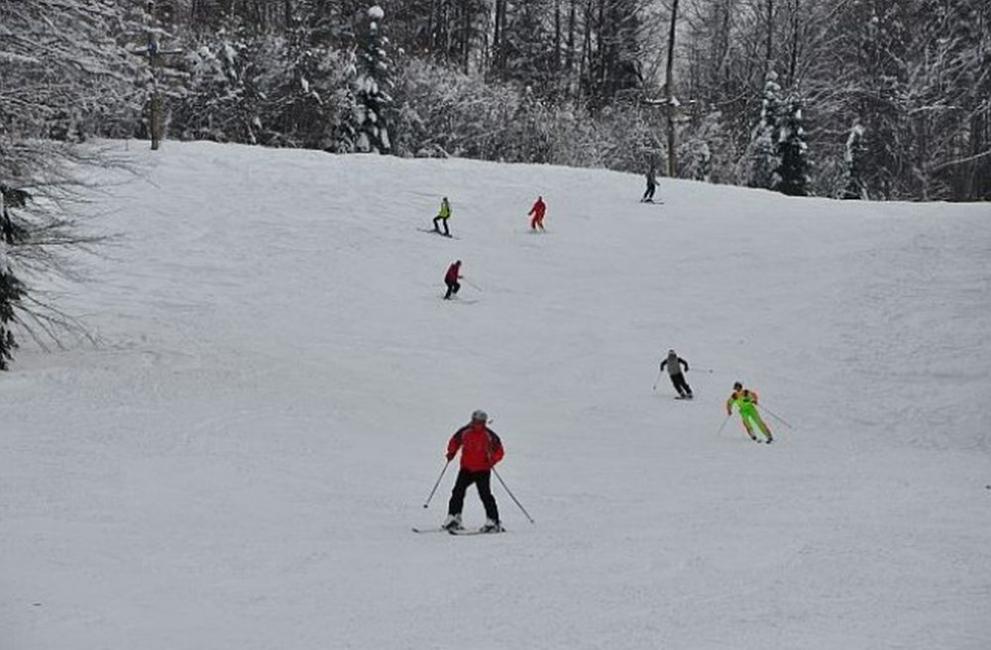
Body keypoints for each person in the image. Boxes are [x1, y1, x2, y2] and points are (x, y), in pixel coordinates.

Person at [442, 410, 504, 533]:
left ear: (484, 423)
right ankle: (453, 518)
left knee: (485, 495)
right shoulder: (465, 431)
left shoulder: (489, 435)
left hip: (483, 470)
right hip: (466, 468)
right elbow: (455, 441)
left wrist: (492, 460)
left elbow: (500, 451)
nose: (477, 424)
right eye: (475, 421)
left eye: (480, 422)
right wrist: (451, 453)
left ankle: (494, 521)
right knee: (457, 492)